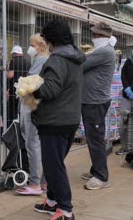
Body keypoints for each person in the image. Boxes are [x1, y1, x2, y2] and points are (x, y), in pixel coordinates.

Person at [32, 19, 85, 220]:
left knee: (54, 166)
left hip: (54, 120)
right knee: (55, 163)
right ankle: (53, 201)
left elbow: (50, 89)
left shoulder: (56, 59)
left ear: (52, 39)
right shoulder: (74, 58)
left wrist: (31, 89)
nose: (45, 43)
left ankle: (65, 209)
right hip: (70, 118)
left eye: (45, 39)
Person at [79, 22, 115, 190]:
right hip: (92, 100)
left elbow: (80, 64)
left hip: (95, 102)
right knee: (93, 138)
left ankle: (102, 177)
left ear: (103, 37)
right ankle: (96, 170)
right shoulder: (104, 51)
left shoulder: (104, 52)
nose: (93, 38)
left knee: (96, 139)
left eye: (95, 35)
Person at [16, 34, 48, 196]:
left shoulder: (41, 60)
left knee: (32, 143)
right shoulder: (43, 59)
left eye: (32, 44)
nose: (29, 48)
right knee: (39, 143)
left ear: (40, 46)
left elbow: (30, 85)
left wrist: (19, 88)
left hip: (31, 105)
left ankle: (35, 182)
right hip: (37, 106)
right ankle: (43, 181)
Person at [7, 45, 30, 125]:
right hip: (24, 89)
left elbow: (10, 75)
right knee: (22, 109)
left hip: (14, 89)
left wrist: (6, 71)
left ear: (14, 53)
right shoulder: (28, 62)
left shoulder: (13, 61)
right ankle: (21, 125)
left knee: (13, 109)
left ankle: (12, 126)